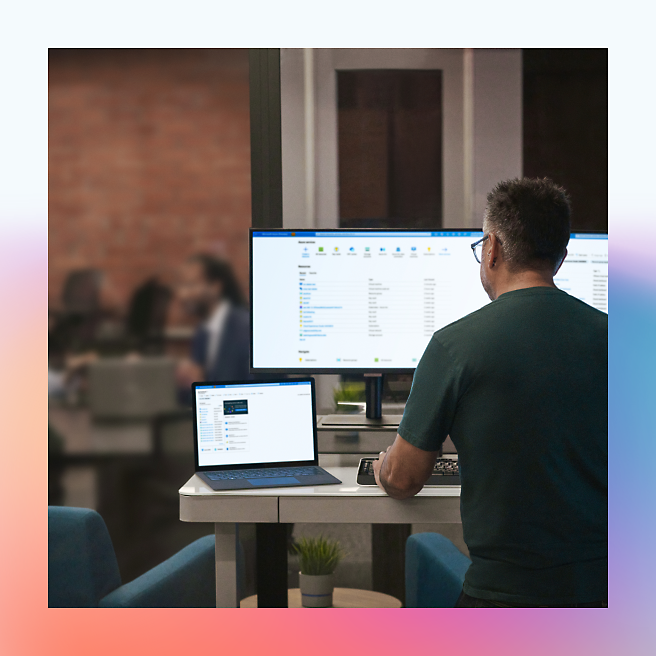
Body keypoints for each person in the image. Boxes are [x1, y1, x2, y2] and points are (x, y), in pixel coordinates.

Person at [373, 178, 607, 608]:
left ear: (492, 248)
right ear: (561, 257)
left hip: (503, 599)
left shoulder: (454, 346)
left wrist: (381, 467)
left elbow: (404, 480)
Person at [176, 254, 252, 391]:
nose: (183, 294)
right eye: (182, 286)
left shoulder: (247, 331)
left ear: (216, 286)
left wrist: (201, 384)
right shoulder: (202, 333)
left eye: (191, 285)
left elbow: (257, 393)